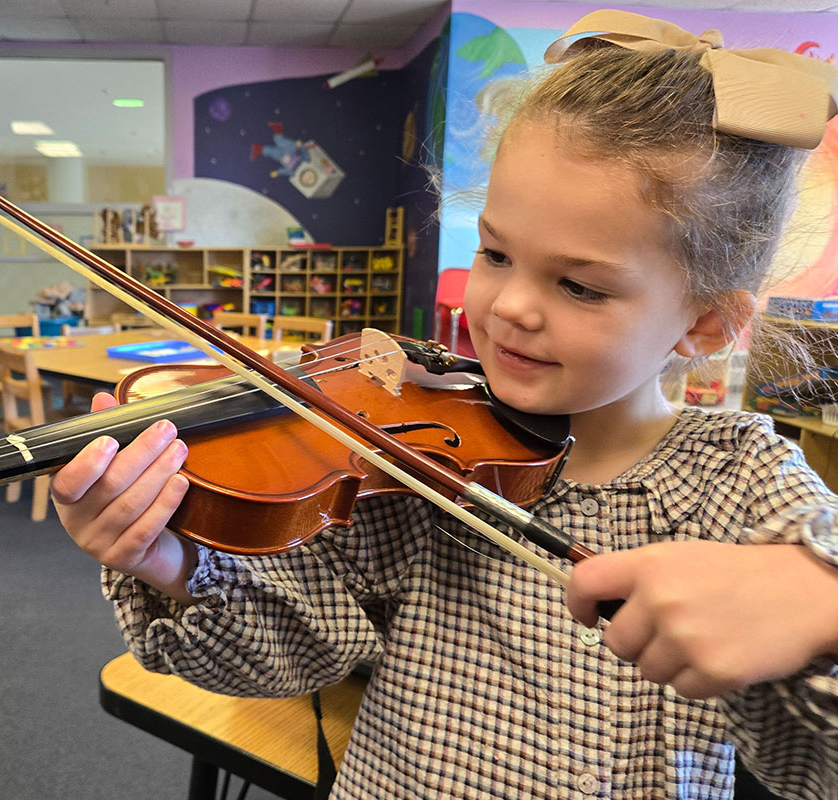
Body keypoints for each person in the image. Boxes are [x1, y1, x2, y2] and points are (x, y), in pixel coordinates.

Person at [52, 11, 838, 798]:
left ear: (707, 322)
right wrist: (170, 560)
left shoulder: (742, 485)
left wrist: (817, 606)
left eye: (579, 285)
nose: (507, 309)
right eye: (495, 253)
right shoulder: (423, 455)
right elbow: (288, 652)